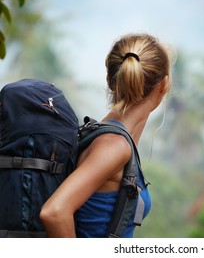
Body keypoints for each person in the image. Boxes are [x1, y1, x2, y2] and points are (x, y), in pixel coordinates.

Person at [40, 33, 173, 238]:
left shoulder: (110, 139)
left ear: (110, 81)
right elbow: (55, 212)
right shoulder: (113, 146)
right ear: (163, 85)